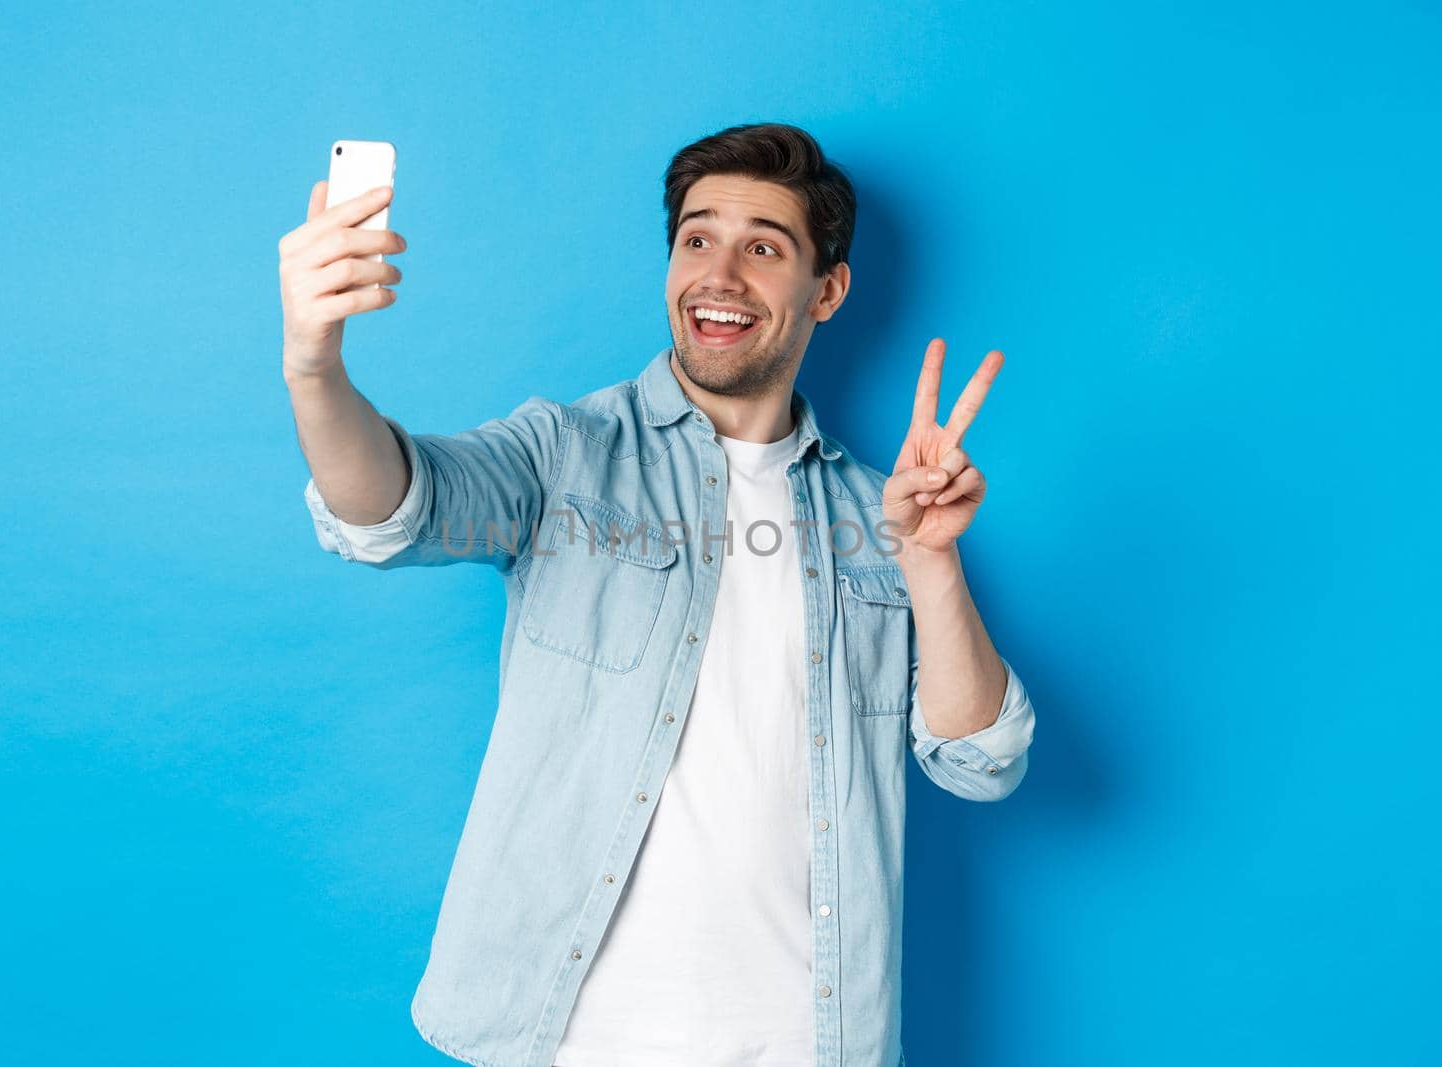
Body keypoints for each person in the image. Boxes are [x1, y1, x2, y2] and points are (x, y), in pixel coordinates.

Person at [279, 123, 1036, 1067]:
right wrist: (316, 370)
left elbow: (982, 761)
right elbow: (395, 506)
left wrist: (928, 563)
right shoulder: (565, 455)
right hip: (575, 1040)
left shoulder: (880, 515)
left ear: (827, 291)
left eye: (764, 246)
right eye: (695, 238)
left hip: (813, 1042)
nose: (718, 275)